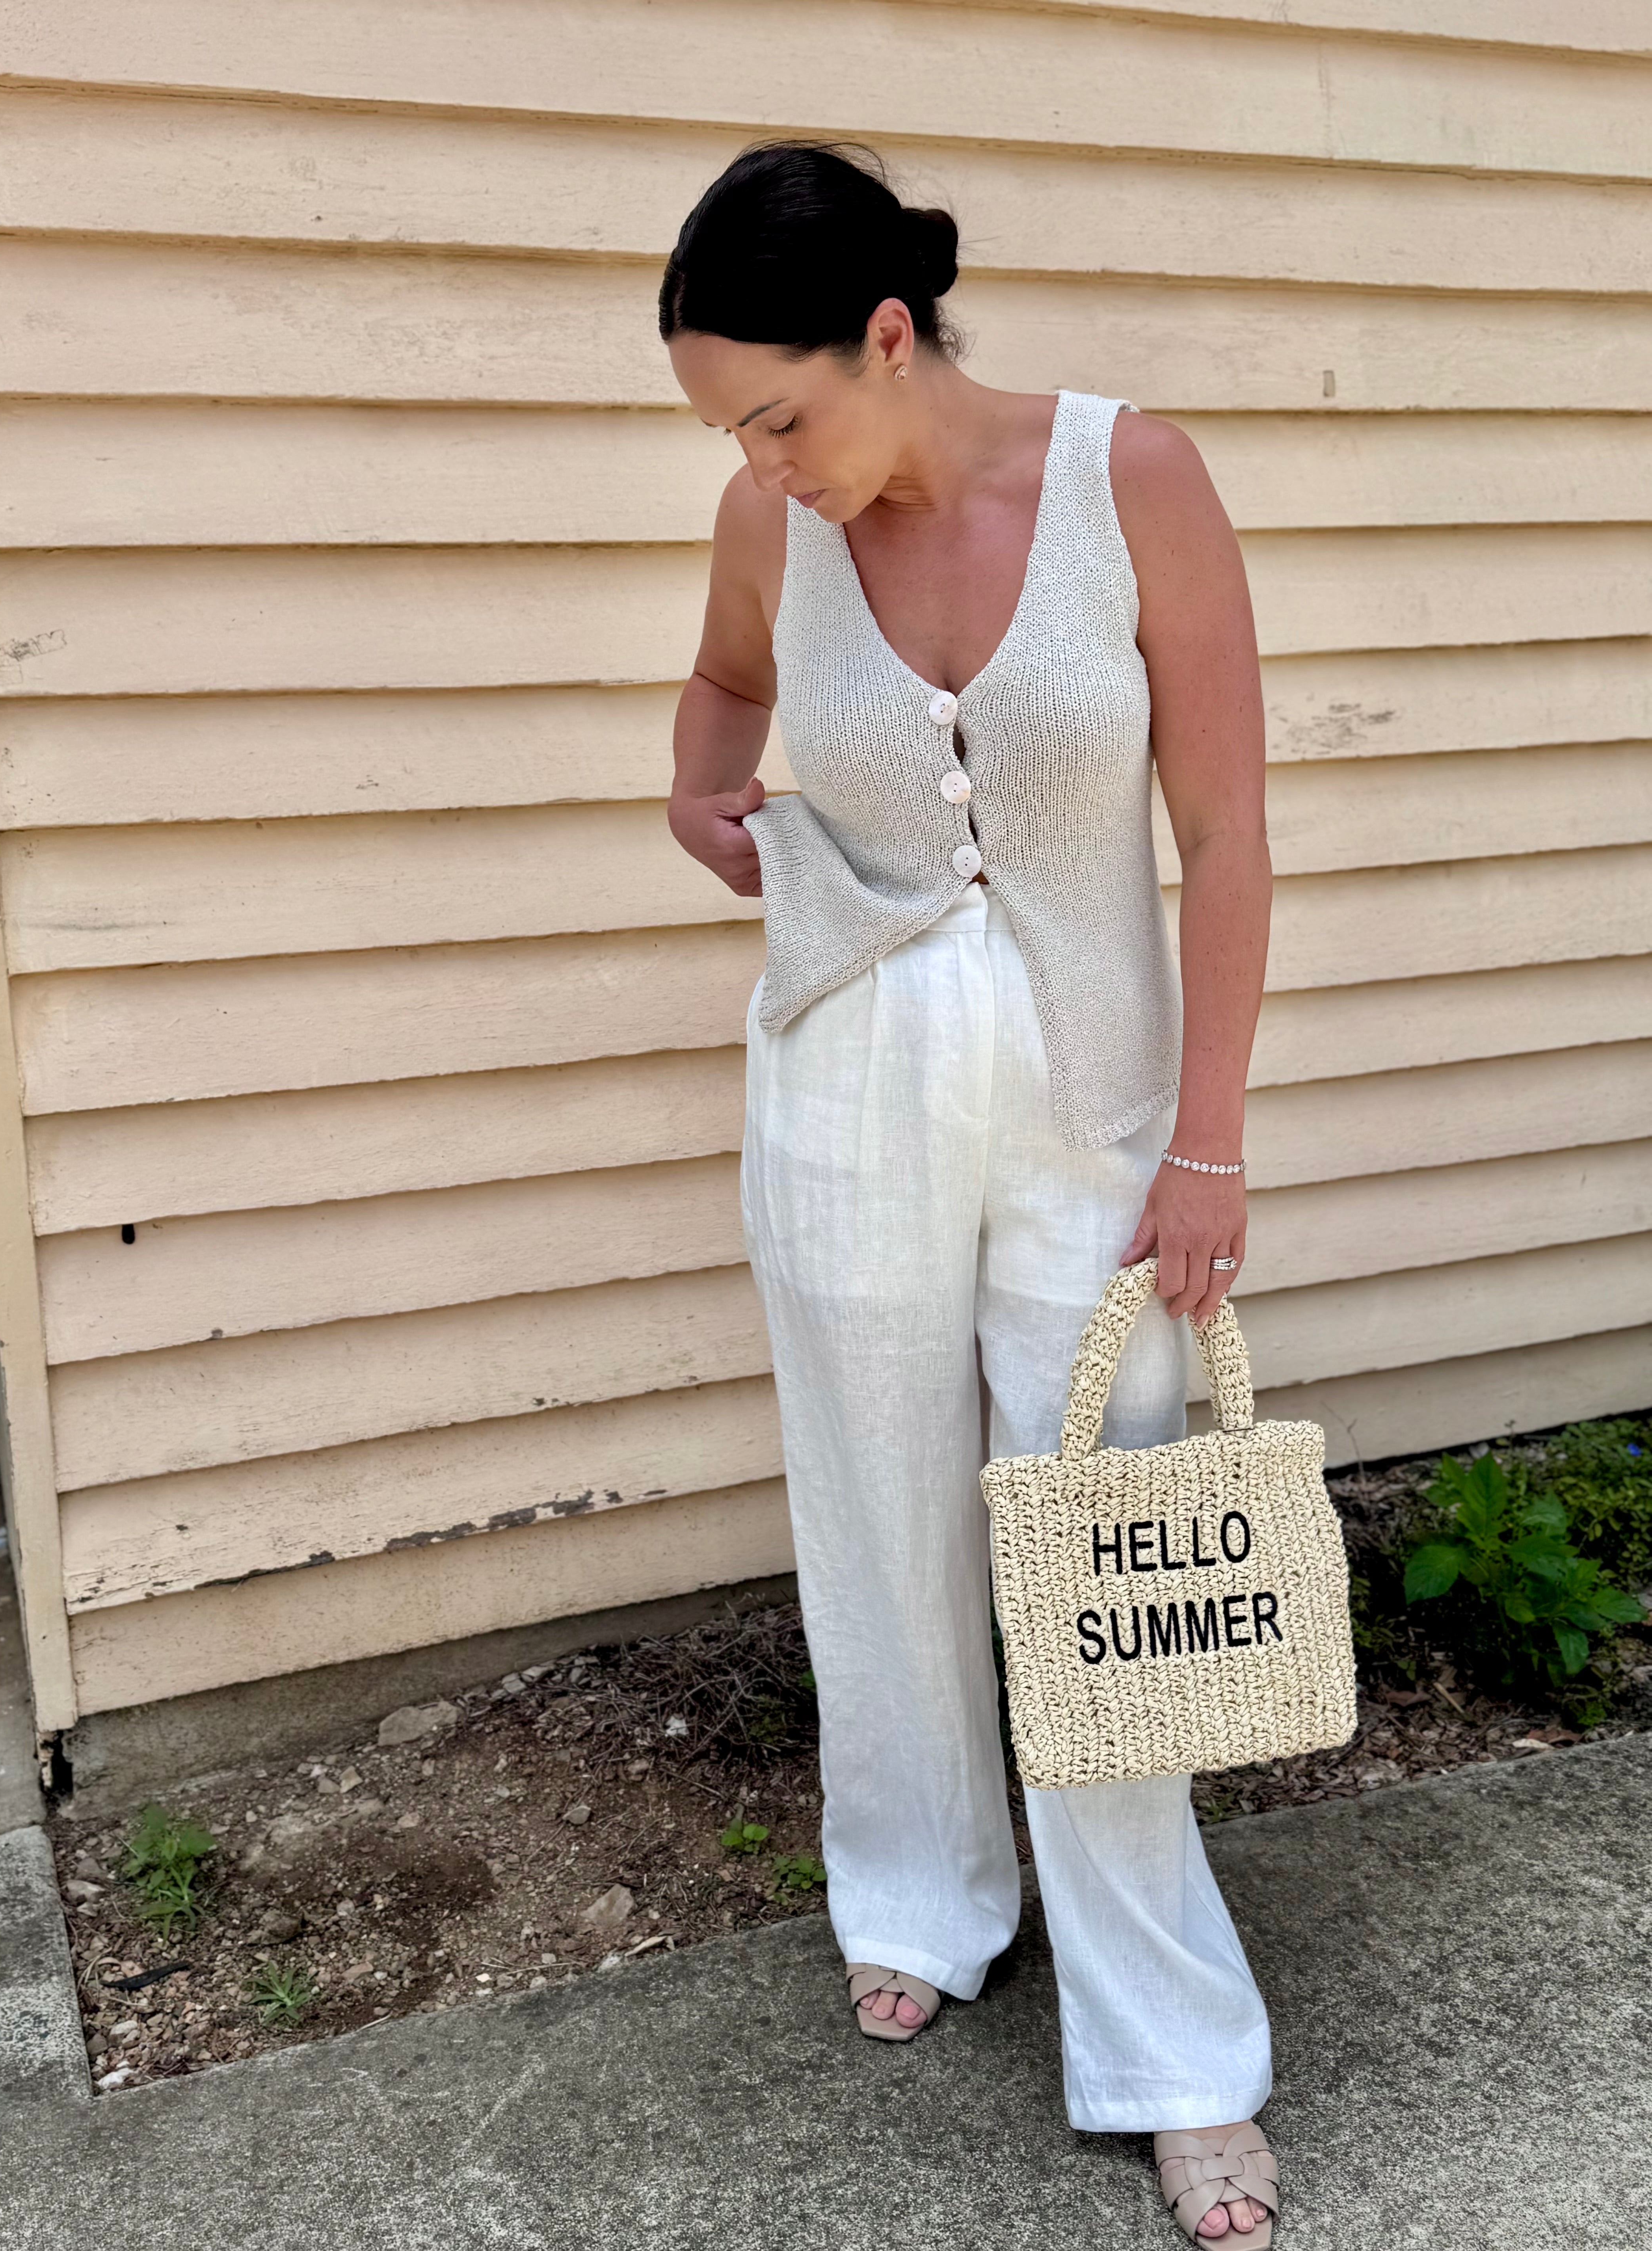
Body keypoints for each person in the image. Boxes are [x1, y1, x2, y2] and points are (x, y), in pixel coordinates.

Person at [658, 140, 1278, 2248]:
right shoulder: (774, 523)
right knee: (876, 1516)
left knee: (1111, 1557)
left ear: (889, 336)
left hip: (1097, 1120)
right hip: (843, 1094)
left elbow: (1228, 832)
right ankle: (923, 1889)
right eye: (733, 435)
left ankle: (1175, 2051)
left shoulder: (1132, 483)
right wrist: (702, 801)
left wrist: (1208, 1143)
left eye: (779, 415)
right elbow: (725, 689)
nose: (764, 465)